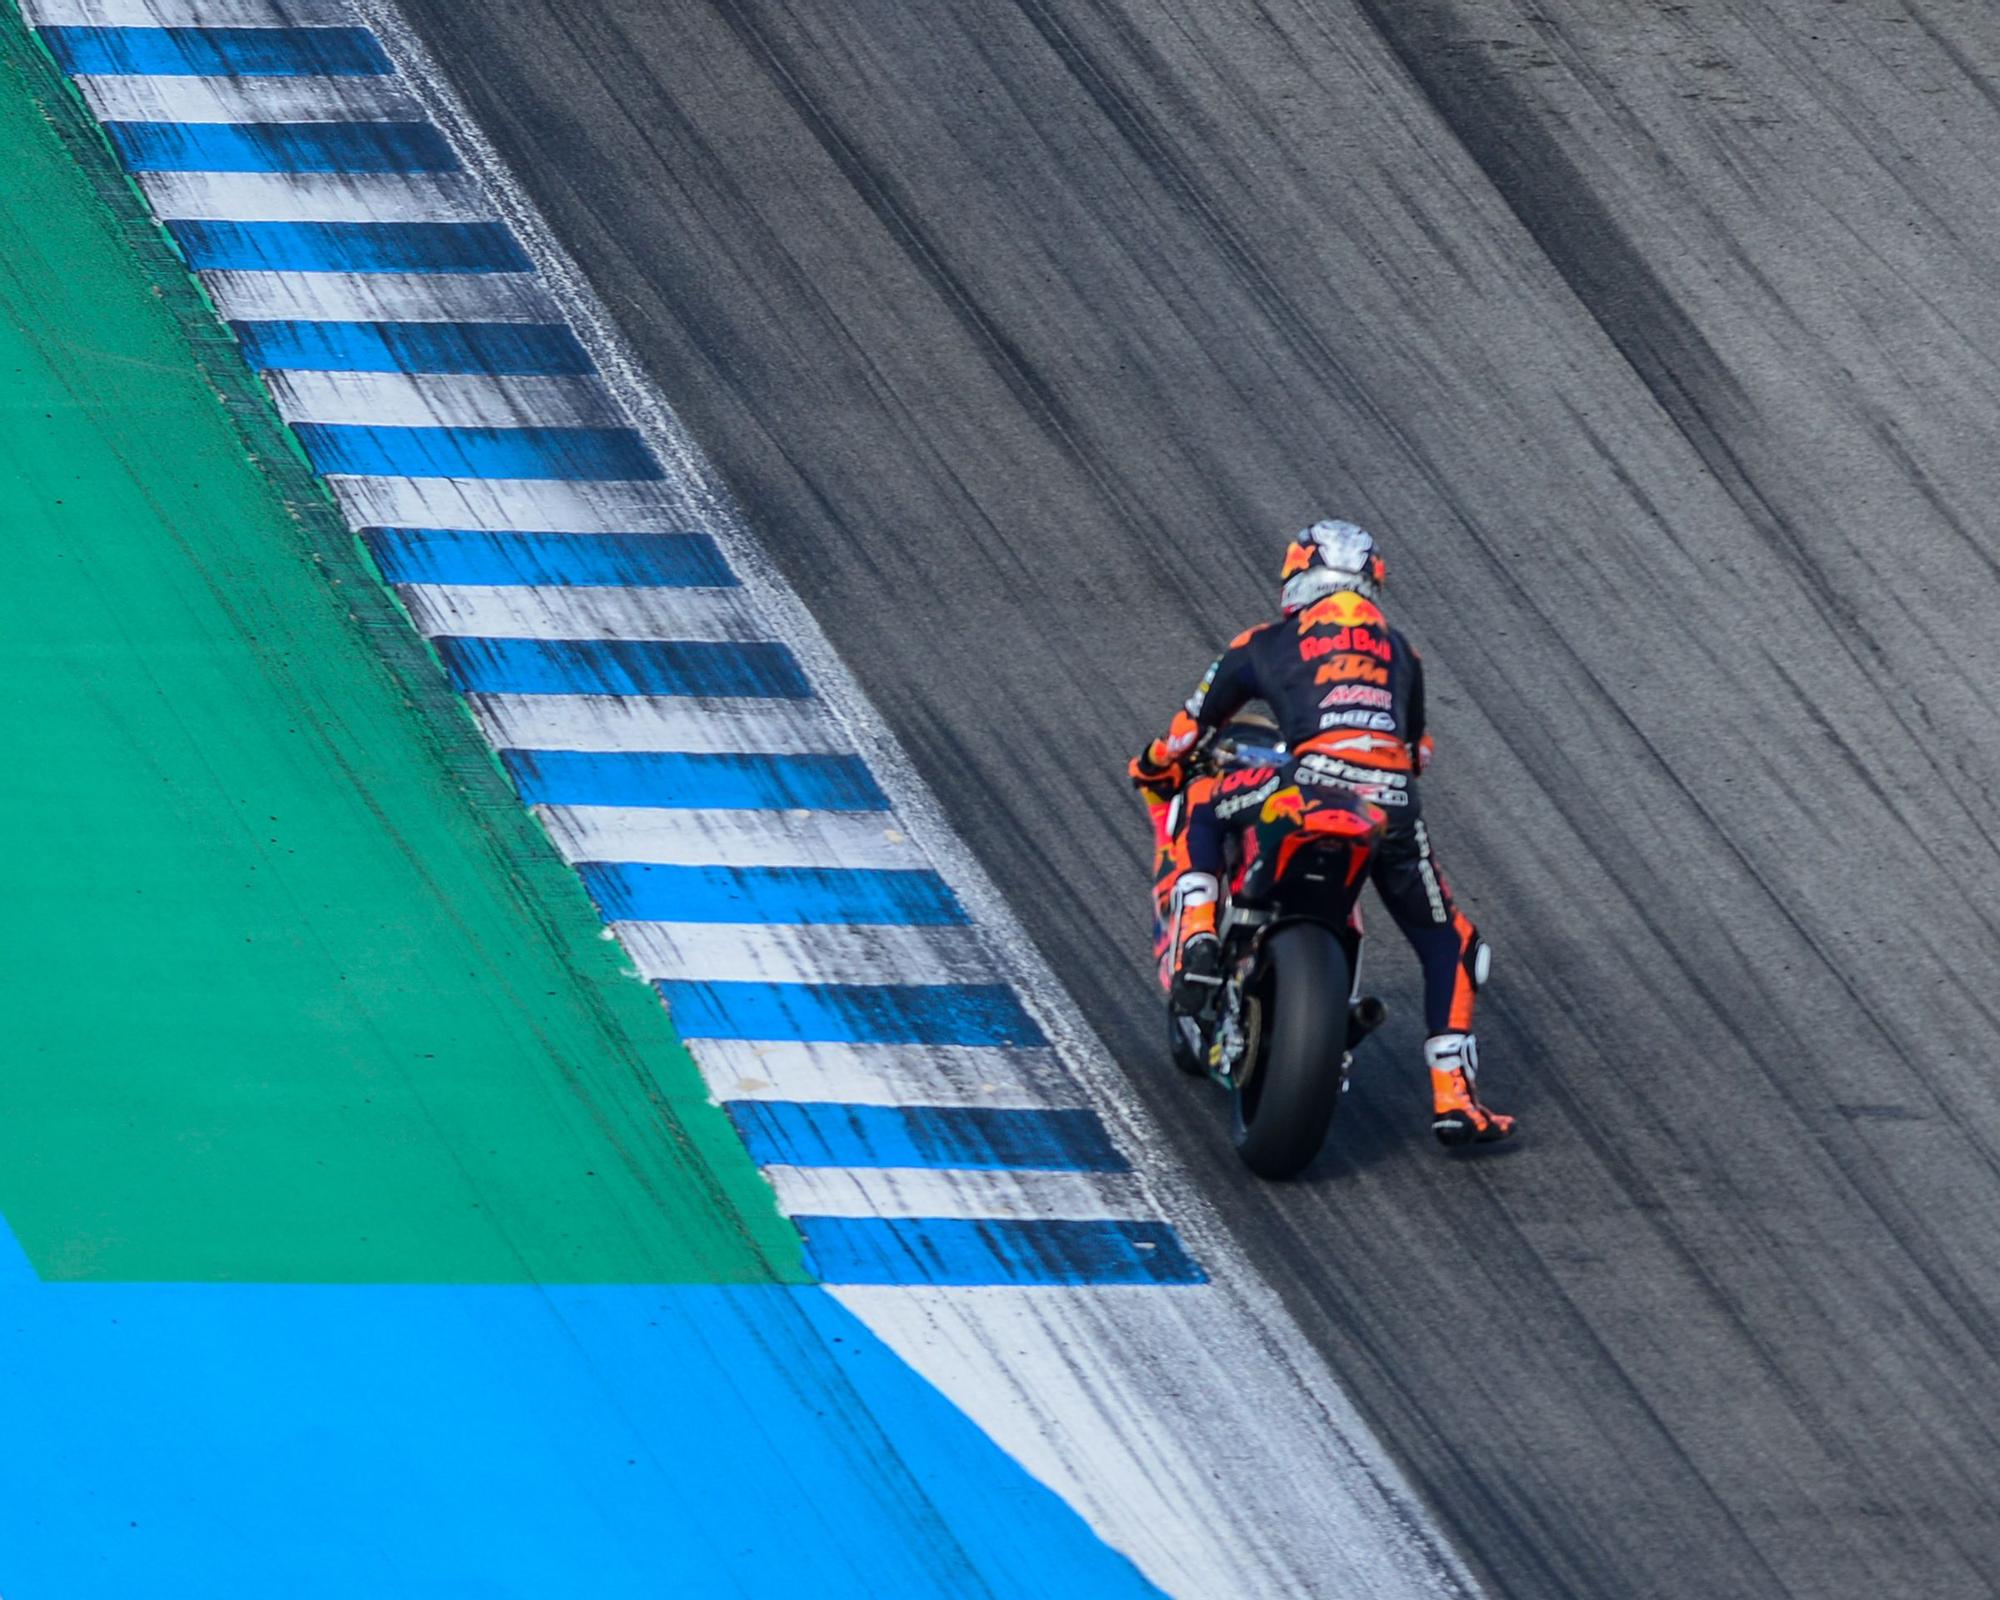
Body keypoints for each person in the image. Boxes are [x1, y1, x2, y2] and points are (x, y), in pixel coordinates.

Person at [1130, 519, 1516, 1147]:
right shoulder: (1402, 651)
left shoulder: (1266, 641)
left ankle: (1199, 933)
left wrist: (1150, 765)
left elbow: (1187, 731)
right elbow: (1417, 754)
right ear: (1372, 584)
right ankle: (1456, 1098)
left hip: (1301, 790)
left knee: (1199, 796)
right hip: (1389, 808)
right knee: (1451, 940)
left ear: (1297, 577)